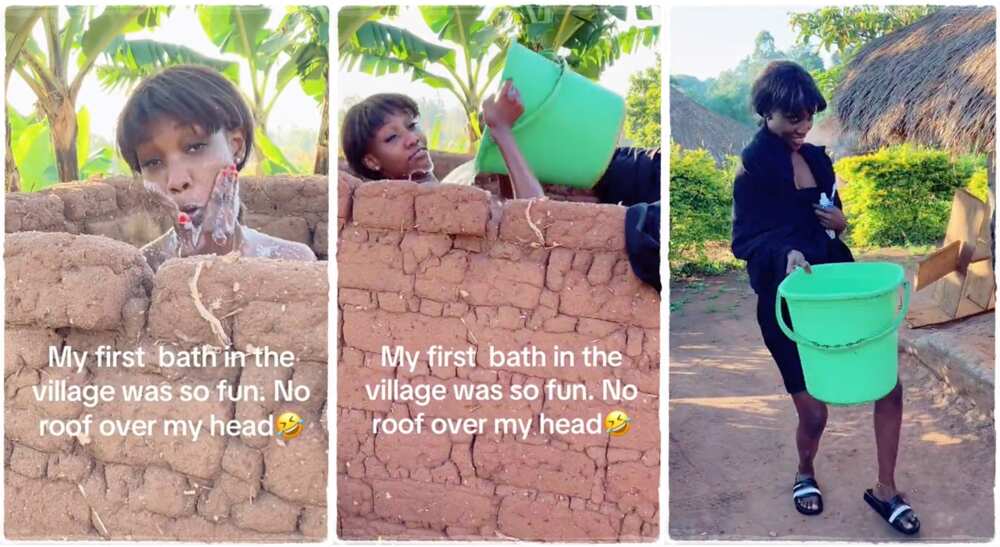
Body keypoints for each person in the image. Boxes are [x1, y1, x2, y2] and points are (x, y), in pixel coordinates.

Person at [731, 60, 919, 534]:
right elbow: (744, 241)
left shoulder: (817, 159)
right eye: (792, 119)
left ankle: (886, 489)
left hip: (840, 291)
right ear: (766, 112)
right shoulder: (751, 173)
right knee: (814, 411)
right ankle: (805, 471)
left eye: (809, 117)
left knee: (888, 386)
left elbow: (833, 213)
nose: (802, 127)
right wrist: (786, 253)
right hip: (790, 301)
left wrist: (840, 223)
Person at [116, 65, 316, 272]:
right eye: (153, 162)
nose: (176, 181)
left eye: (195, 147)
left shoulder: (292, 263)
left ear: (236, 146)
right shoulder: (142, 271)